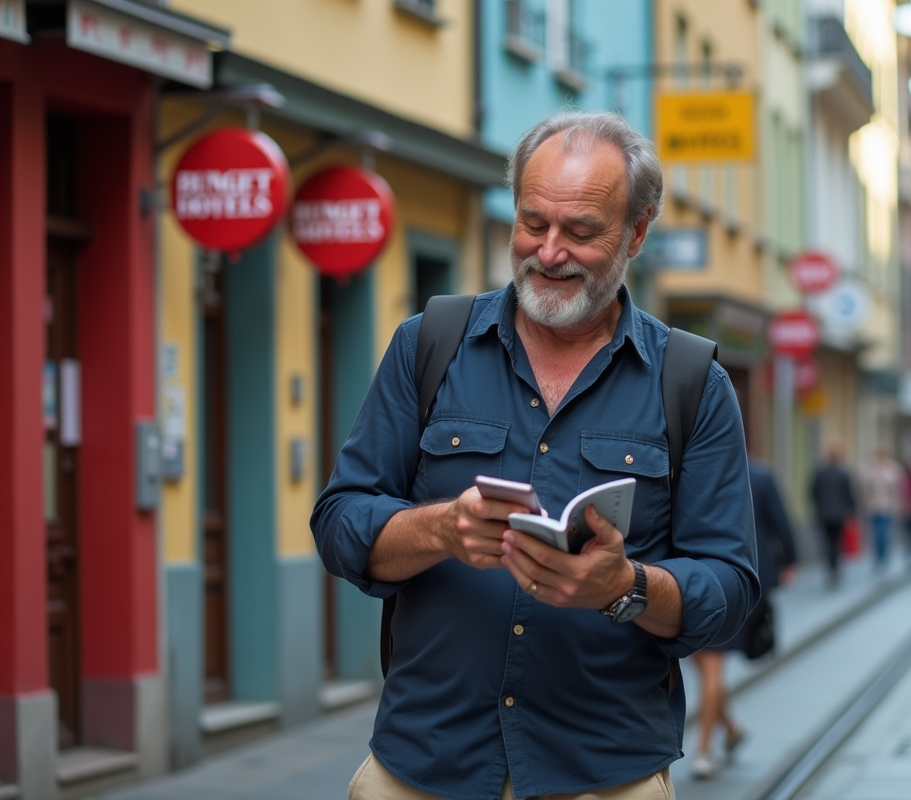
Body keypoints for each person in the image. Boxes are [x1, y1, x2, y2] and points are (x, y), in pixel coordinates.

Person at [310, 112, 760, 800]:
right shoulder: (428, 344)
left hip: (602, 773)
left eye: (581, 231)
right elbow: (339, 523)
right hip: (425, 764)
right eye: (532, 222)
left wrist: (625, 587)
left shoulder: (691, 381)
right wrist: (441, 528)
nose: (548, 252)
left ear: (637, 232)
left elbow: (729, 590)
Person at [690, 458, 797, 780]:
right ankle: (731, 728)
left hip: (720, 579)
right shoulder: (760, 476)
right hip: (731, 577)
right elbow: (781, 522)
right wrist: (788, 560)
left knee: (710, 664)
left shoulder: (700, 470)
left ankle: (704, 749)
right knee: (704, 665)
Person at [811, 443, 857, 587]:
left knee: (827, 542)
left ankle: (830, 567)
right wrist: (851, 510)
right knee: (836, 541)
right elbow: (848, 494)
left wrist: (818, 507)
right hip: (839, 514)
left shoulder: (820, 473)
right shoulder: (843, 473)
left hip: (823, 514)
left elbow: (813, 492)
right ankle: (835, 568)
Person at [859, 448, 905, 571]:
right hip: (872, 507)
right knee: (874, 534)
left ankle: (883, 557)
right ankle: (878, 558)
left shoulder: (893, 469)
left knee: (883, 534)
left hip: (887, 507)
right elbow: (862, 489)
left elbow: (899, 489)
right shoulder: (868, 469)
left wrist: (899, 505)